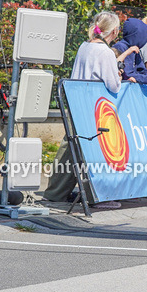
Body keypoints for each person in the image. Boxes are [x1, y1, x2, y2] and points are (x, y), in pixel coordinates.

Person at [44, 12, 125, 207]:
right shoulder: (106, 52)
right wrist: (119, 75)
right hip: (94, 107)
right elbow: (114, 85)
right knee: (93, 151)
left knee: (70, 148)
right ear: (114, 31)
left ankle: (55, 193)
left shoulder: (84, 46)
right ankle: (95, 196)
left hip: (77, 102)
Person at [113, 19, 147, 84]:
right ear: (137, 34)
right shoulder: (121, 47)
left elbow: (142, 70)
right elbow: (128, 74)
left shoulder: (134, 49)